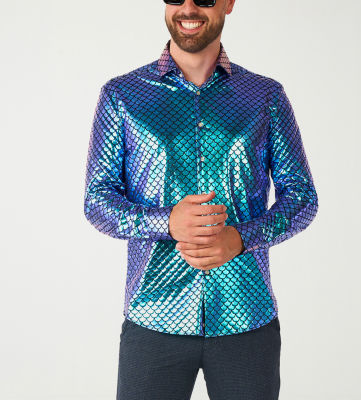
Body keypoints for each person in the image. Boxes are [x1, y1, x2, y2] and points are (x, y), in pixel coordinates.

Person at [83, 0, 319, 398]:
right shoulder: (122, 96)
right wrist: (166, 222)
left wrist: (240, 238)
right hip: (153, 316)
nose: (189, 8)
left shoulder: (265, 96)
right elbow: (97, 201)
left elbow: (302, 197)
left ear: (228, 3)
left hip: (246, 317)